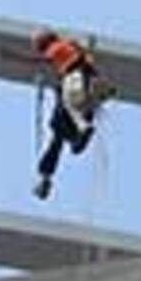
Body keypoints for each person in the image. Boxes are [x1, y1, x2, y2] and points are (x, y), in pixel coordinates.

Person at [28, 29, 109, 200]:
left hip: (75, 100)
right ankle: (47, 175)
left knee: (58, 133)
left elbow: (63, 67)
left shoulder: (58, 50)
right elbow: (85, 64)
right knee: (59, 135)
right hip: (82, 100)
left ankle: (46, 176)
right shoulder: (72, 52)